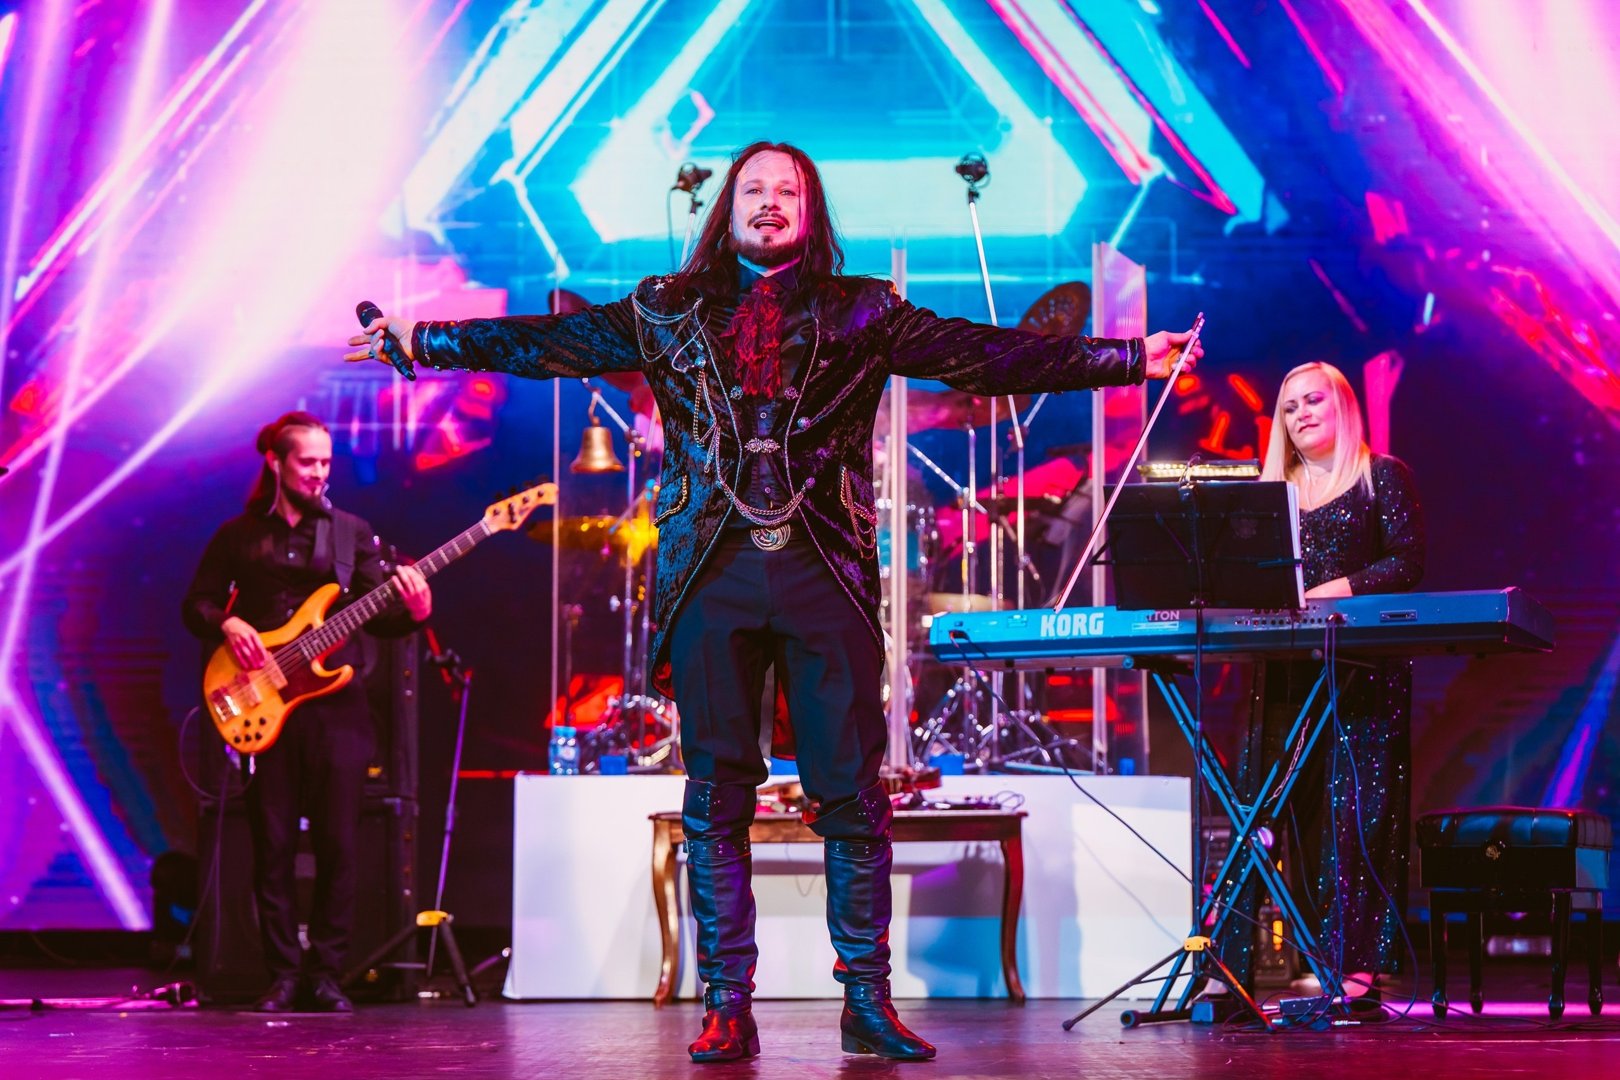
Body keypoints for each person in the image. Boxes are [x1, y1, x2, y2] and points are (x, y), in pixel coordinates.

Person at [347, 141, 1201, 1061]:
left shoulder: (862, 308)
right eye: (752, 188)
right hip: (708, 569)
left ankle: (866, 1000)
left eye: (785, 190)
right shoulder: (665, 307)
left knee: (852, 791)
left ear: (809, 208)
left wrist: (1126, 357)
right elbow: (544, 344)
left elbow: (979, 353)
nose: (768, 202)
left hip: (822, 567)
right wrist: (423, 340)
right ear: (728, 207)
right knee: (717, 789)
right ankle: (726, 1003)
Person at [181, 412, 432, 1012]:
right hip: (264, 705)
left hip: (336, 711)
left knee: (338, 845)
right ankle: (283, 976)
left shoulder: (351, 533)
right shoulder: (238, 536)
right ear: (276, 463)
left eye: (326, 462)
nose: (320, 472)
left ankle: (326, 974)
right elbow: (197, 605)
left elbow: (384, 618)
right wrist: (228, 622)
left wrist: (418, 610)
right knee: (271, 848)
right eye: (308, 461)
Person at [1214, 361, 1425, 1002]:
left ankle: (1351, 966)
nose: (1301, 414)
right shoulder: (1271, 493)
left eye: (1313, 401)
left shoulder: (1380, 476)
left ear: (1342, 406)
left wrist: (1330, 591)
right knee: (1266, 811)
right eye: (1289, 407)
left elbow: (1407, 562)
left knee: (1355, 815)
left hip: (1362, 671)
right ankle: (1230, 967)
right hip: (1283, 671)